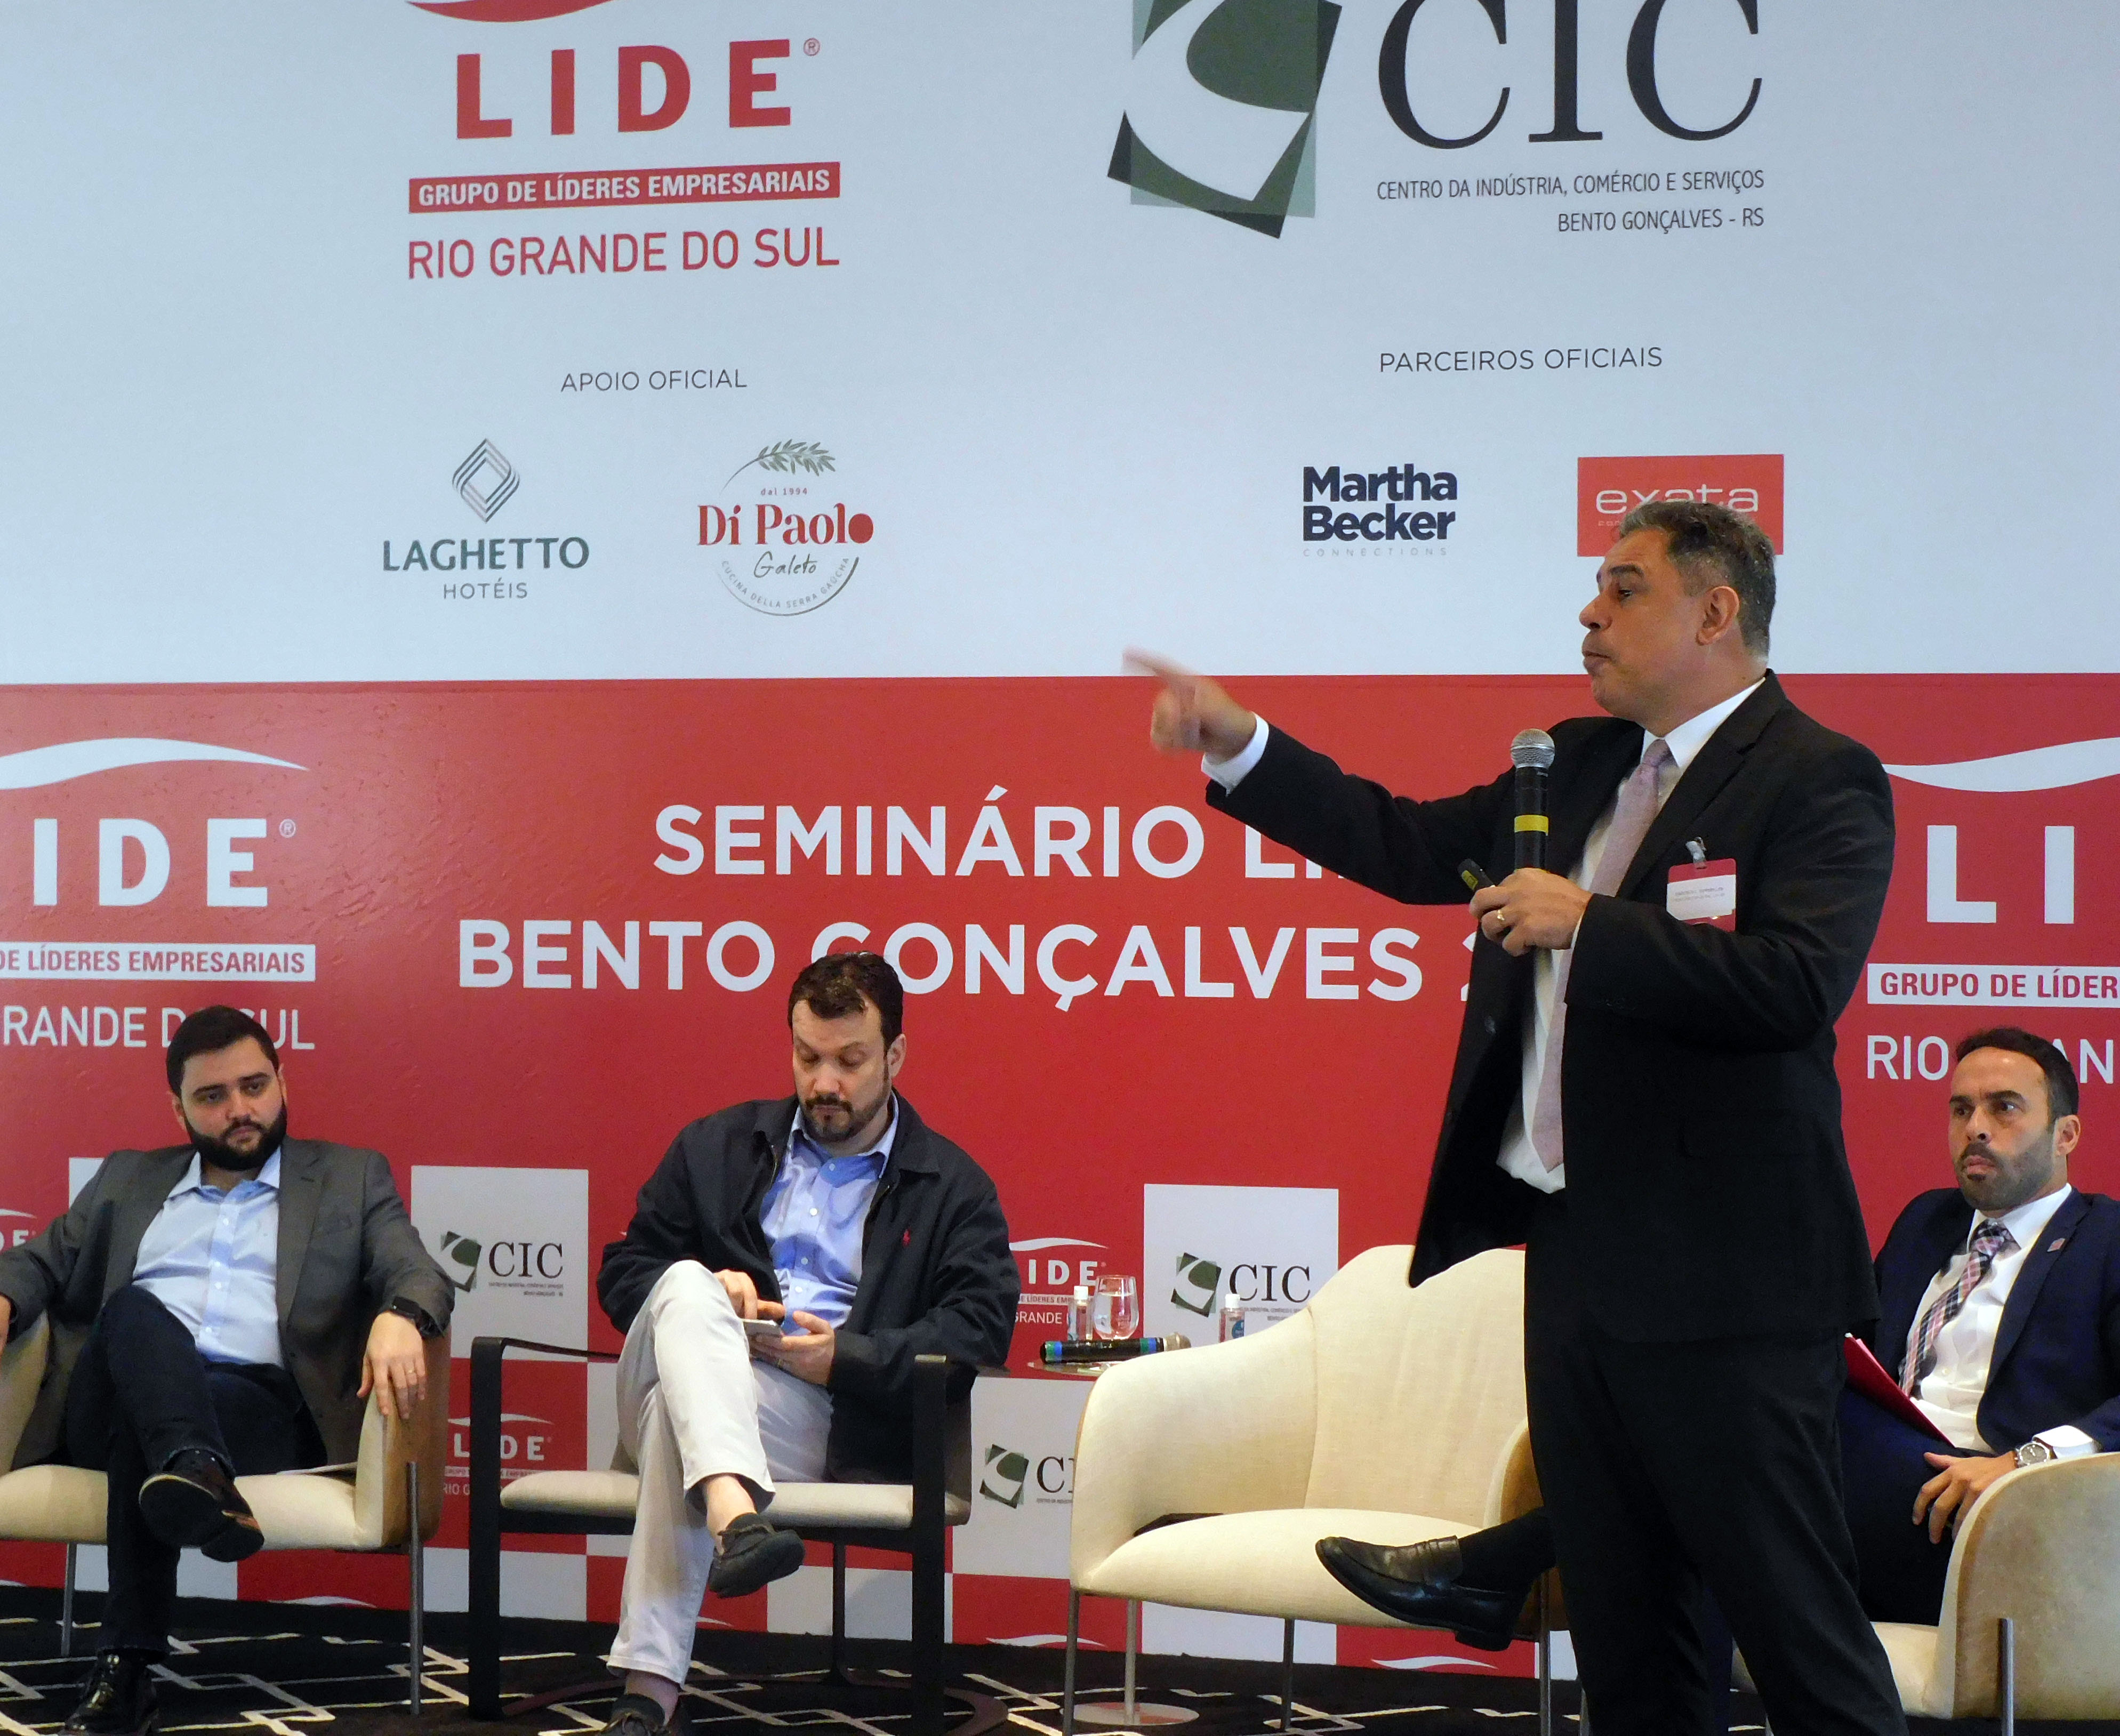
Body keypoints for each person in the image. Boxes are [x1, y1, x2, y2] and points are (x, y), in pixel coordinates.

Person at [1142, 499, 1904, 1734]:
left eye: (1623, 588)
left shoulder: (1816, 774)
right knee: (1630, 1645)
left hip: (1731, 1287)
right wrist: (1244, 748)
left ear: (1714, 612)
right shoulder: (1581, 760)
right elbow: (1404, 845)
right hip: (1575, 1262)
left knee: (1797, 1636)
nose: (1587, 614)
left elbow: (1792, 982)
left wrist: (1588, 922)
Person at [1318, 1027, 2120, 1643]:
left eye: (2004, 1108)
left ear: (2067, 1135)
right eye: (1961, 1109)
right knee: (1720, 1442)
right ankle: (1511, 1588)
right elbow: (1851, 1351)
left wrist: (2021, 1462)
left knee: (1737, 1440)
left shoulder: (2106, 1240)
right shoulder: (1927, 1223)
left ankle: (1494, 1569)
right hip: (1856, 1479)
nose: (1976, 1128)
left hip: (1977, 1508)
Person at [592, 952, 1018, 1736]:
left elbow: (979, 1328)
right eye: (807, 1057)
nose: (825, 1083)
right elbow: (623, 1273)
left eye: (850, 1062)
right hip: (692, 1363)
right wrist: (715, 1290)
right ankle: (736, 1518)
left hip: (825, 1417)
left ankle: (647, 1695)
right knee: (685, 1283)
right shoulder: (716, 1146)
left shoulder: (952, 1186)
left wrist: (844, 1358)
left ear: (895, 1055)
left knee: (673, 1426)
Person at [0, 1007, 450, 1736]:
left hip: (254, 1410)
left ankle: (128, 1666)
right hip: (109, 1393)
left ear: (282, 1082)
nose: (239, 1109)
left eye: (254, 1086)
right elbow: (37, 1260)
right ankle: (197, 1472)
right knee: (136, 1311)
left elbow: (418, 1270)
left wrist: (402, 1314)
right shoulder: (127, 1178)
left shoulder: (349, 1177)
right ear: (177, 1108)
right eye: (212, 1096)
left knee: (149, 1433)